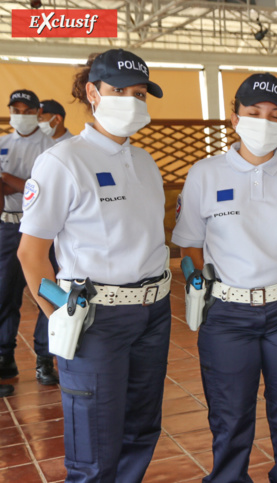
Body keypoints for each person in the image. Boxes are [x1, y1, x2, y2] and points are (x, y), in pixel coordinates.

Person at [17, 49, 171, 482]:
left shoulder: (144, 162)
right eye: (118, 90)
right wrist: (57, 315)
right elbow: (31, 254)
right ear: (92, 91)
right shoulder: (63, 161)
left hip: (153, 312)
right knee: (94, 445)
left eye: (139, 93)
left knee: (141, 430)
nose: (131, 100)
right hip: (95, 318)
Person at [172, 73, 277, 483]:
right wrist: (204, 288)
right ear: (234, 118)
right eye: (254, 113)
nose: (265, 122)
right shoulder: (205, 173)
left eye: (276, 115)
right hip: (228, 312)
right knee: (229, 412)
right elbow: (190, 244)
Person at [0, 89, 56, 395]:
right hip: (7, 226)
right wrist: (23, 185)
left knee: (45, 291)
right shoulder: (2, 143)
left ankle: (45, 359)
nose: (19, 114)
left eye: (25, 109)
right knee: (5, 293)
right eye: (15, 109)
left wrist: (13, 181)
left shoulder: (51, 148)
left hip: (43, 229)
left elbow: (42, 191)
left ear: (37, 111)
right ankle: (4, 356)